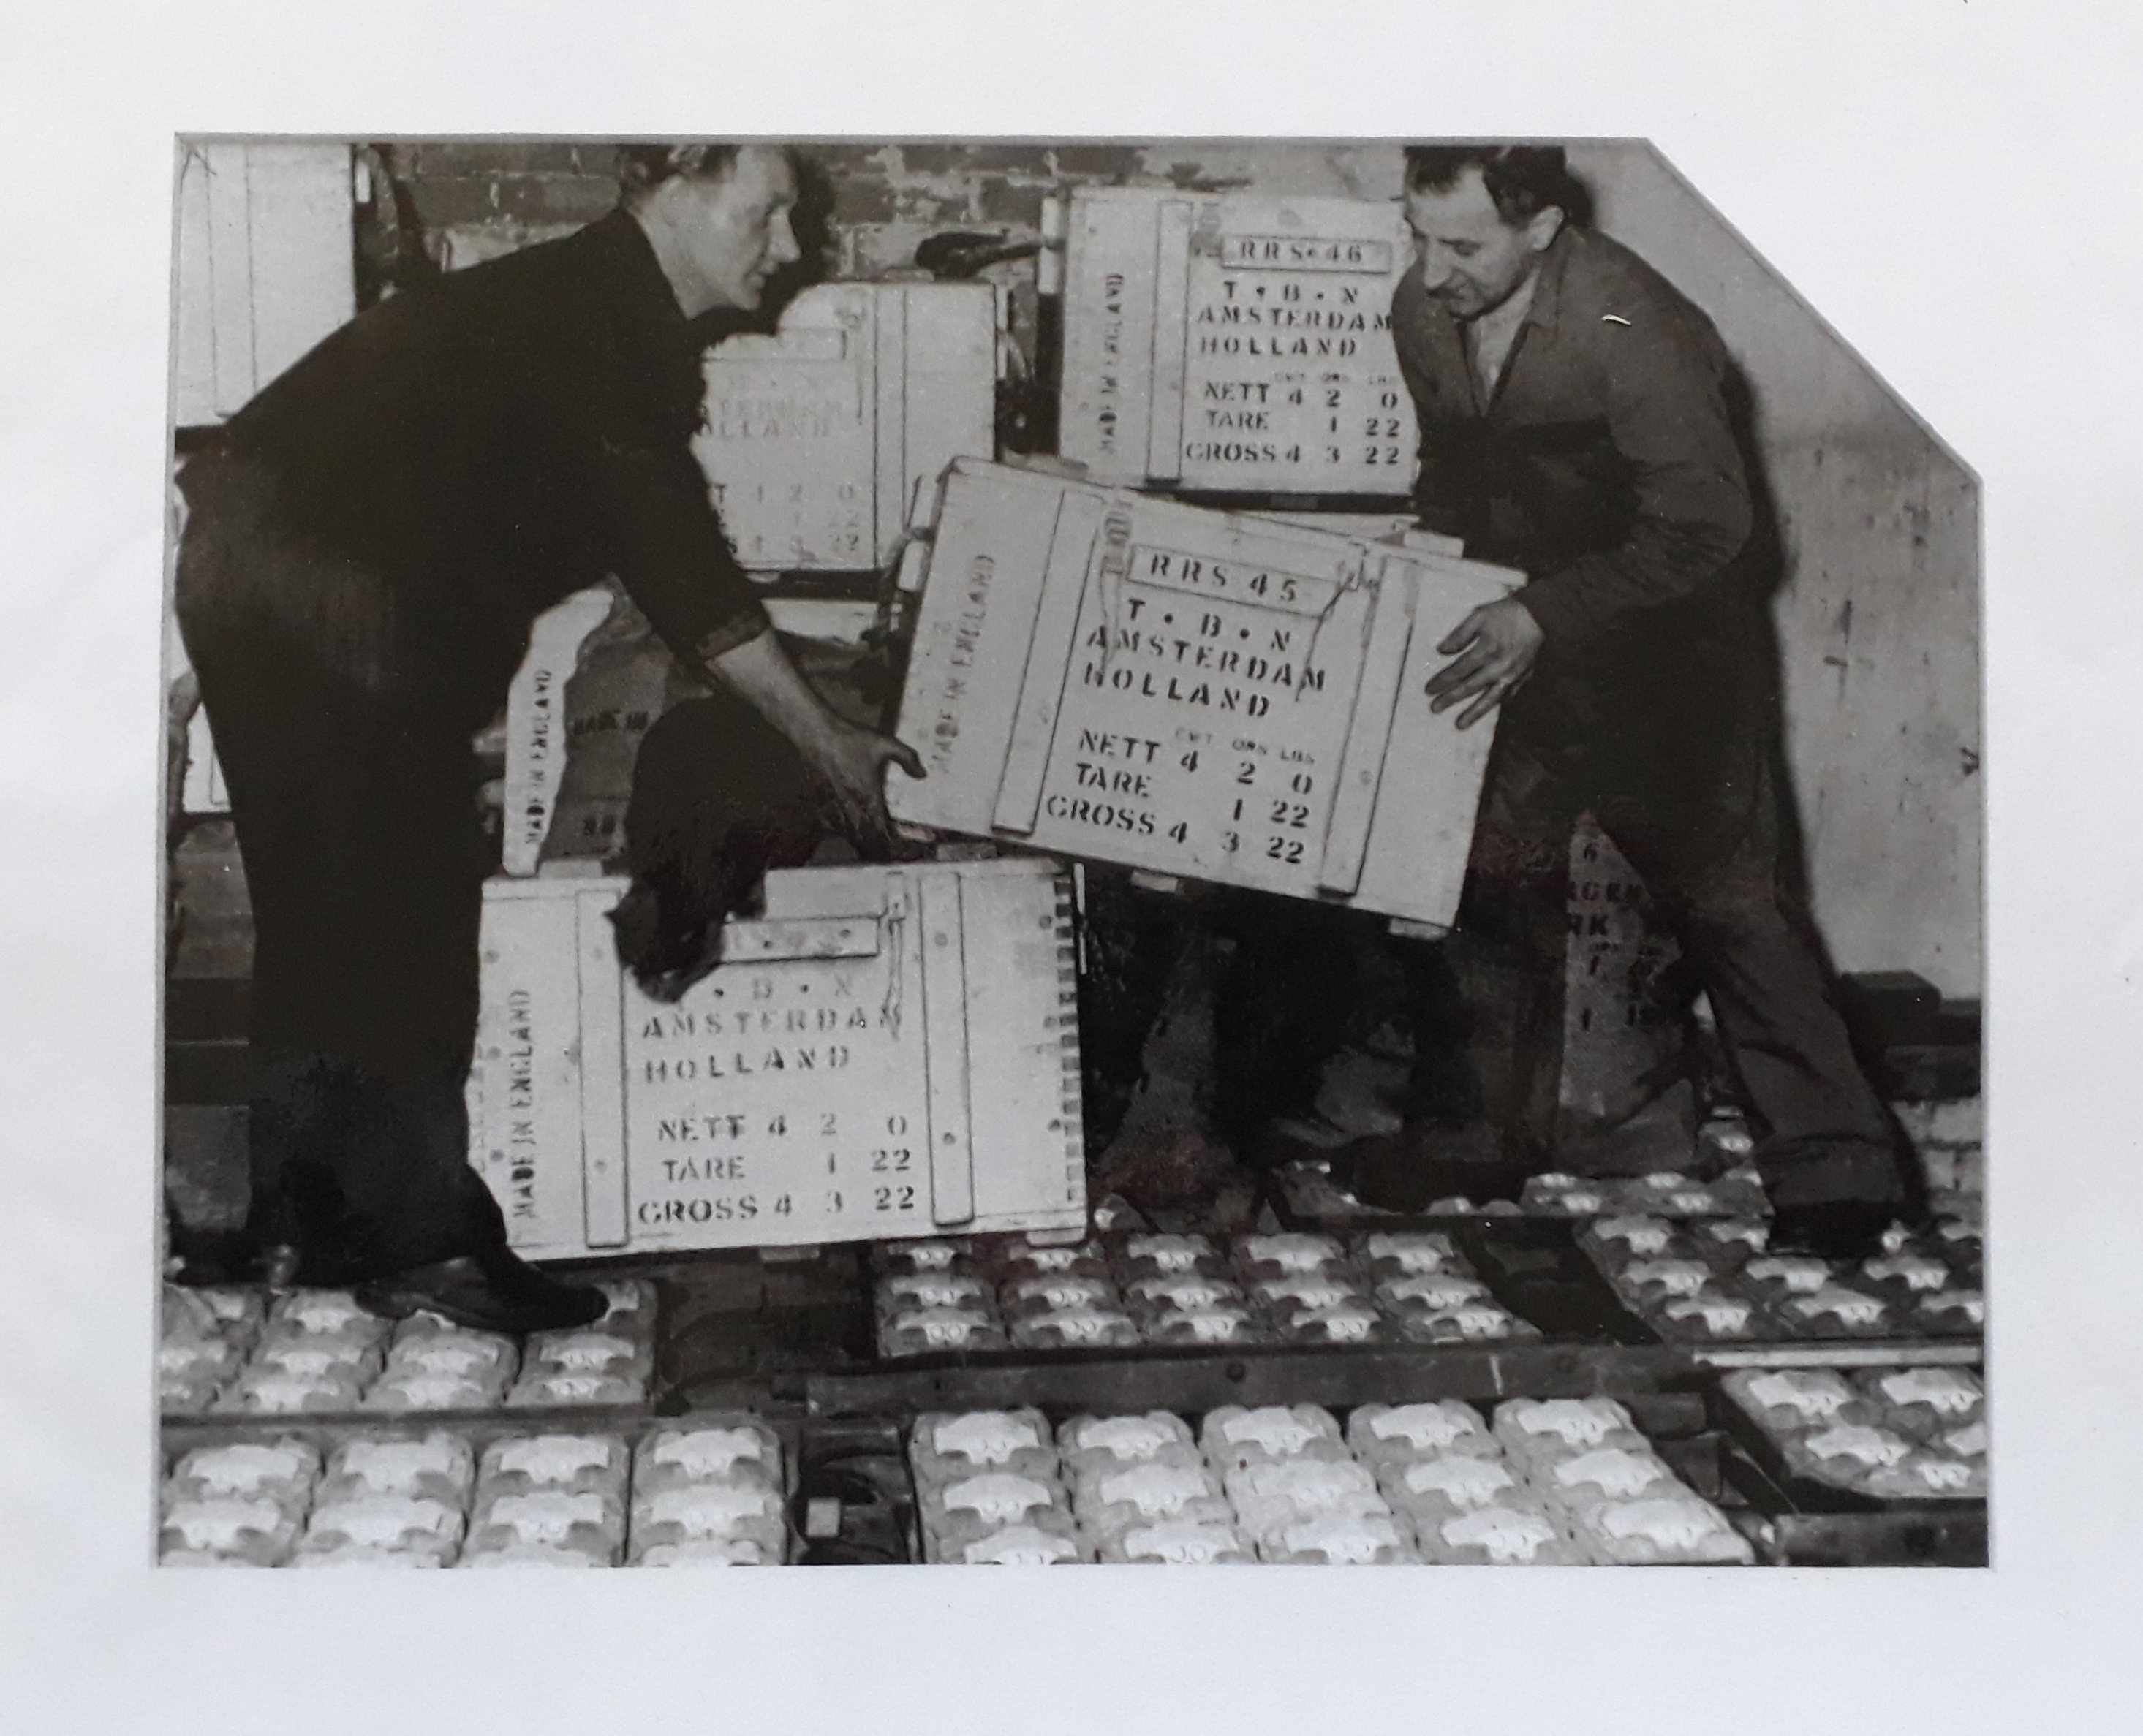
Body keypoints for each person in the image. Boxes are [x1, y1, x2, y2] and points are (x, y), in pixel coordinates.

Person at [173, 142, 923, 1331]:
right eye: (769, 212)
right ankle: (420, 1240)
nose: (788, 250)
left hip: (253, 566)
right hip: (323, 581)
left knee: (328, 914)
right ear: (675, 180)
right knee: (411, 900)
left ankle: (296, 1229)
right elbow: (679, 566)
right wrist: (828, 741)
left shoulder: (581, 303)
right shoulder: (598, 317)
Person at [1324, 143, 1917, 1259]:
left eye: (1461, 245)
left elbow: (1709, 529)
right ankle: (1473, 1134)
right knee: (1472, 882)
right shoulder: (1425, 310)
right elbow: (1454, 469)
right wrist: (1425, 575)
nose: (1432, 269)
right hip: (1519, 652)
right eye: (1419, 235)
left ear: (1542, 228)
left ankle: (1838, 1173)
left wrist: (1546, 612)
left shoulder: (1638, 330)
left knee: (1735, 909)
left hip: (1670, 668)